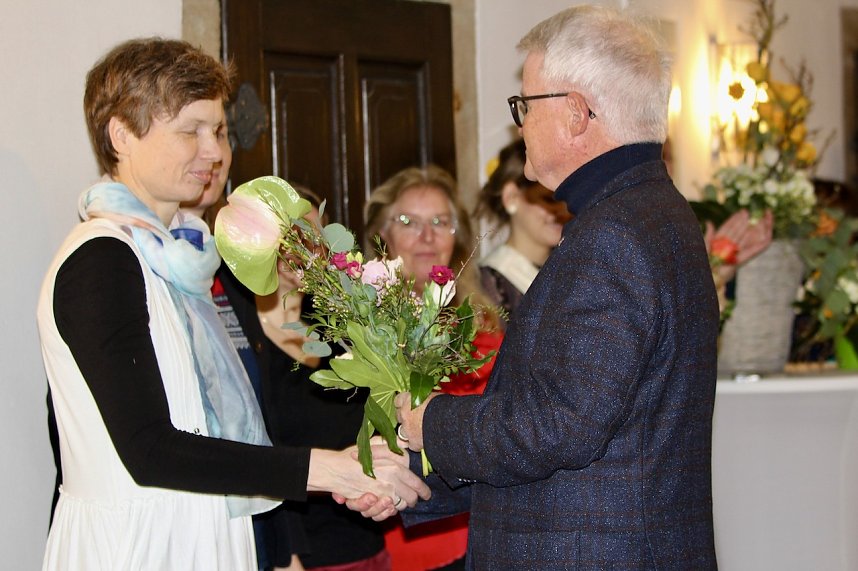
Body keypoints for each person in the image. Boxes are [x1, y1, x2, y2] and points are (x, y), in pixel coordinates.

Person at [38, 37, 427, 570]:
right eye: (190, 131)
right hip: (139, 545)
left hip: (208, 534)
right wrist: (328, 469)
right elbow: (149, 450)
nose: (215, 152)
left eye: (218, 130)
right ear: (121, 134)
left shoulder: (183, 257)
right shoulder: (102, 258)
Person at [389, 6, 720, 569]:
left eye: (525, 104)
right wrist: (415, 483)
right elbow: (602, 439)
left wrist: (432, 422)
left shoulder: (612, 234)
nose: (519, 124)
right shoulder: (656, 212)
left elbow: (561, 425)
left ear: (575, 113)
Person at [363, 166, 502, 569]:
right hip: (391, 530)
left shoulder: (484, 324)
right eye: (408, 222)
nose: (427, 236)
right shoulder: (361, 327)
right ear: (382, 234)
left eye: (441, 222)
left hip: (479, 531)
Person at [474, 138, 572, 324]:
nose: (563, 210)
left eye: (566, 198)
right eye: (549, 199)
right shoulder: (489, 284)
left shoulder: (573, 267)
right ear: (511, 196)